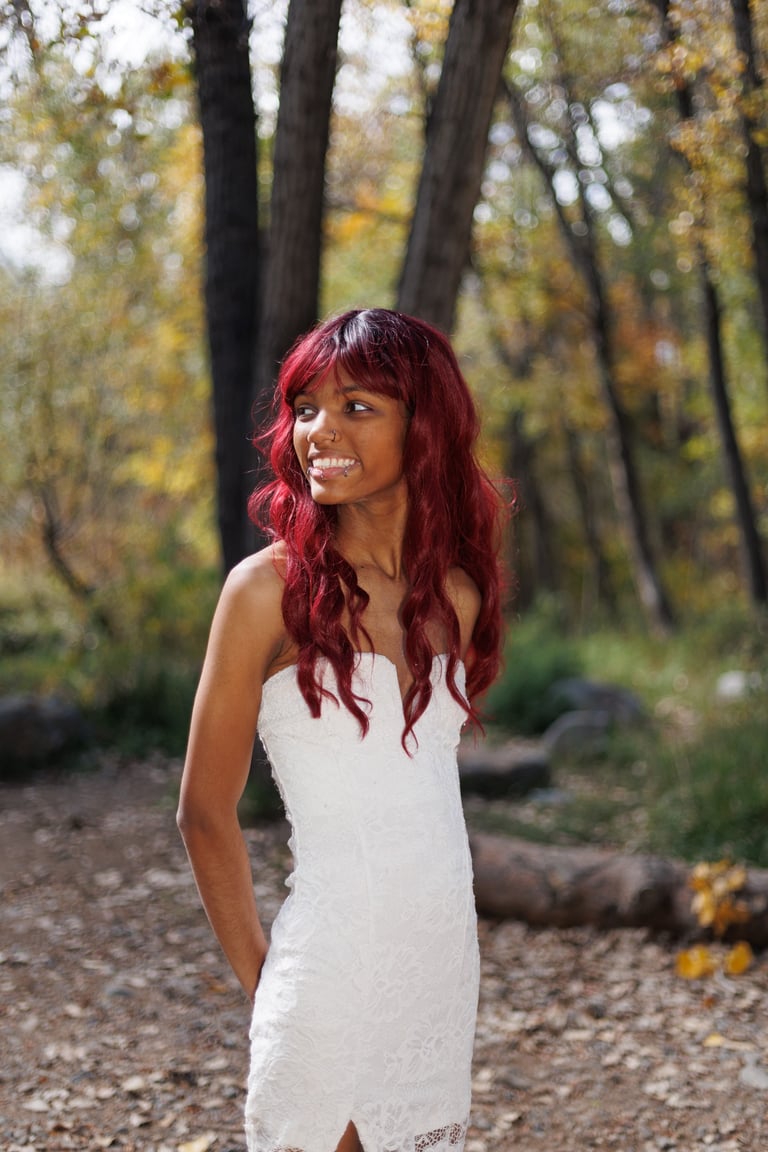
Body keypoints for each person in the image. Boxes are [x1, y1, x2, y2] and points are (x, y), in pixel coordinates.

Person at [177, 308, 504, 1152]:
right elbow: (203, 813)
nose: (319, 431)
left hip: (441, 971)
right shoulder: (265, 593)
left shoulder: (457, 598)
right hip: (329, 968)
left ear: (424, 426)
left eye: (357, 406)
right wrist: (270, 986)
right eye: (307, 408)